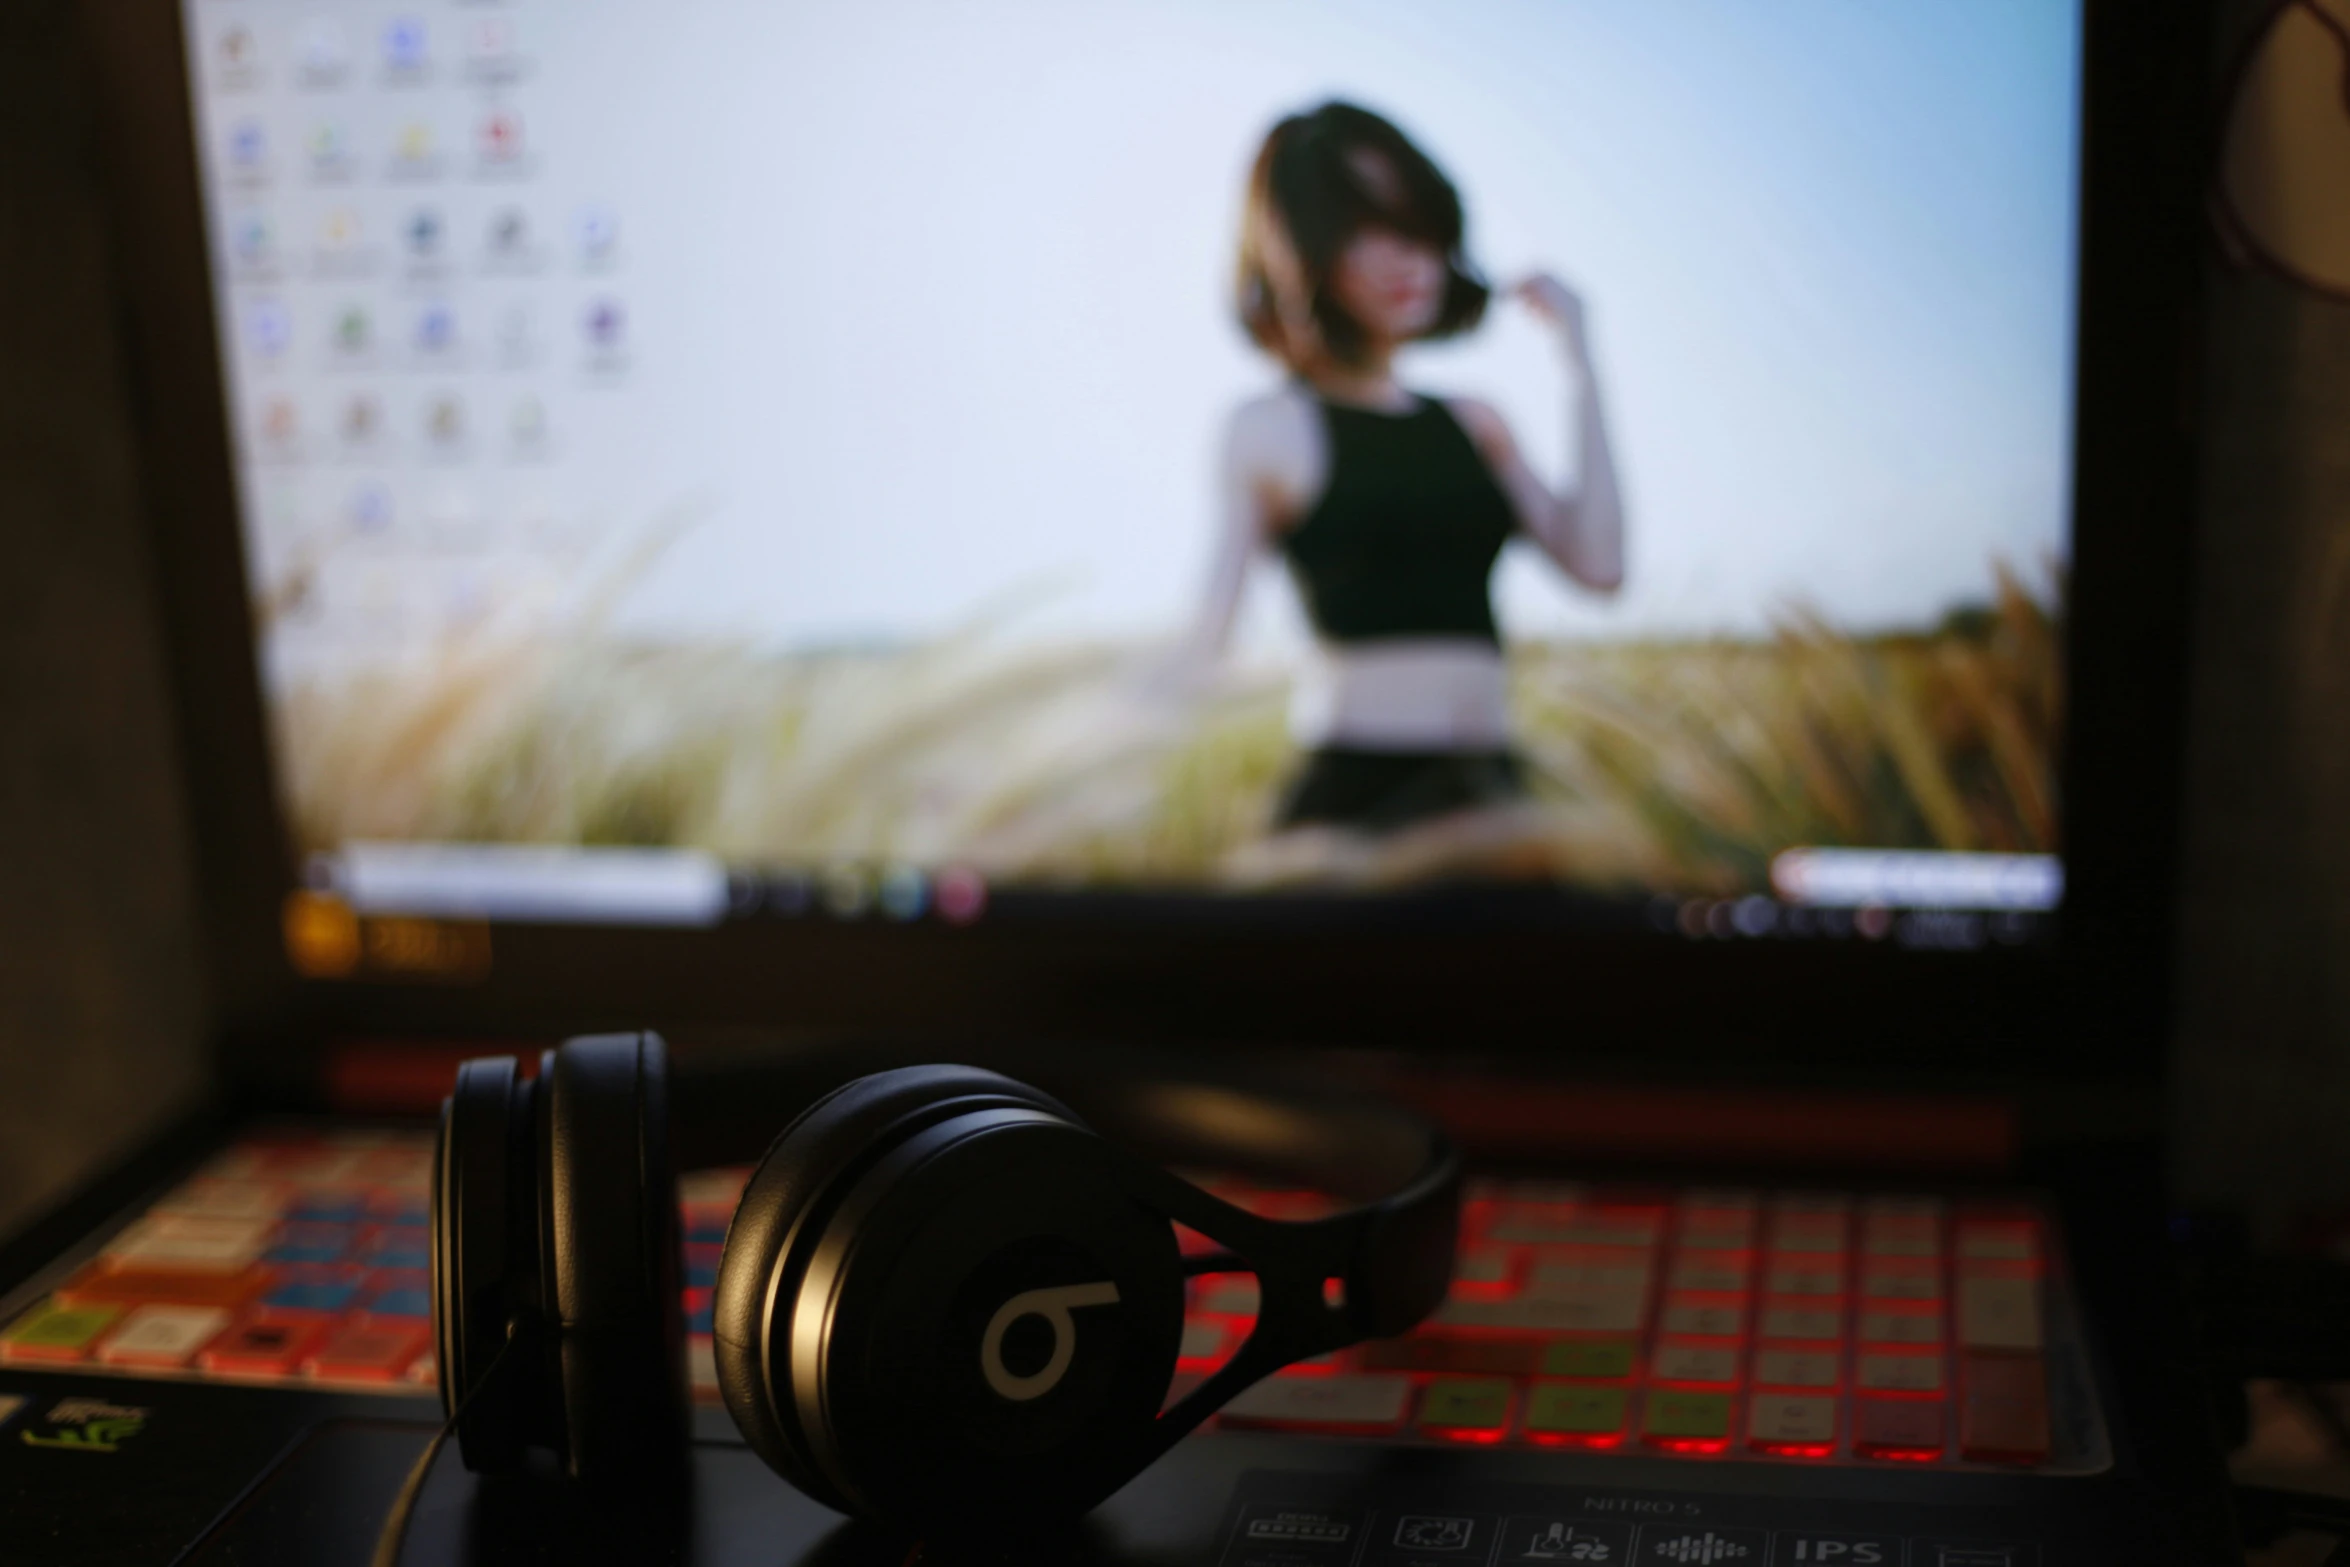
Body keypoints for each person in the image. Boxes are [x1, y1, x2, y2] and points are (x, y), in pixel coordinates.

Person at [1176, 100, 1625, 841]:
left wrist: (1580, 361)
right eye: (1364, 228)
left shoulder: (1475, 422)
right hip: (1350, 814)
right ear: (1301, 249)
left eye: (1416, 225)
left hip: (1495, 799)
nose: (1407, 258)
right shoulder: (1270, 429)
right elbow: (1205, 641)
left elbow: (1601, 567)